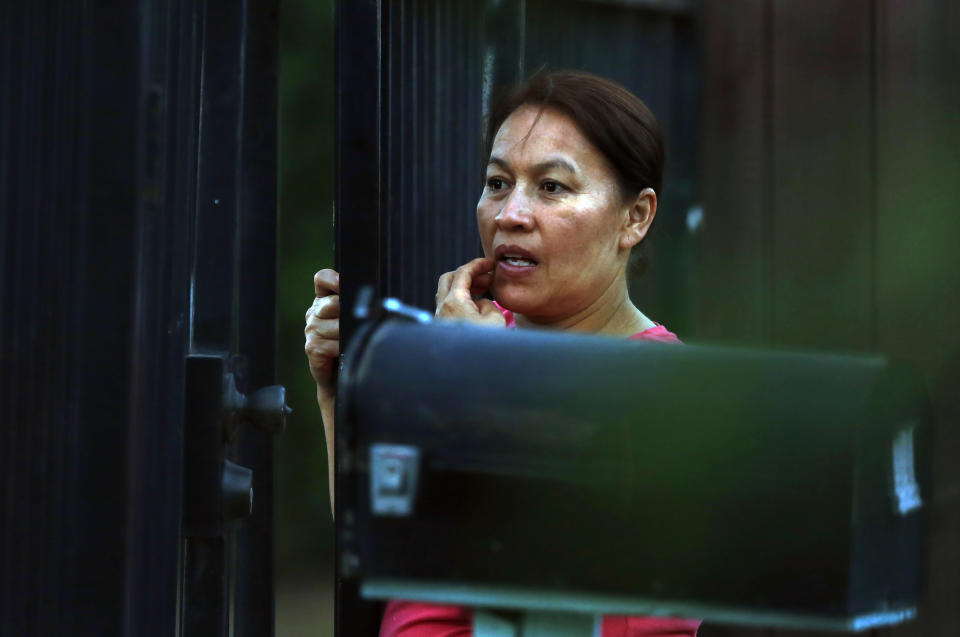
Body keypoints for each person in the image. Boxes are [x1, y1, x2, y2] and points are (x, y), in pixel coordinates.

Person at [305, 70, 699, 637]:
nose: (510, 213)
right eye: (497, 182)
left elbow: (560, 596)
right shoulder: (472, 346)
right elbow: (387, 544)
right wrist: (339, 396)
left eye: (552, 187)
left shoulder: (671, 391)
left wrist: (485, 383)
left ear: (634, 217)